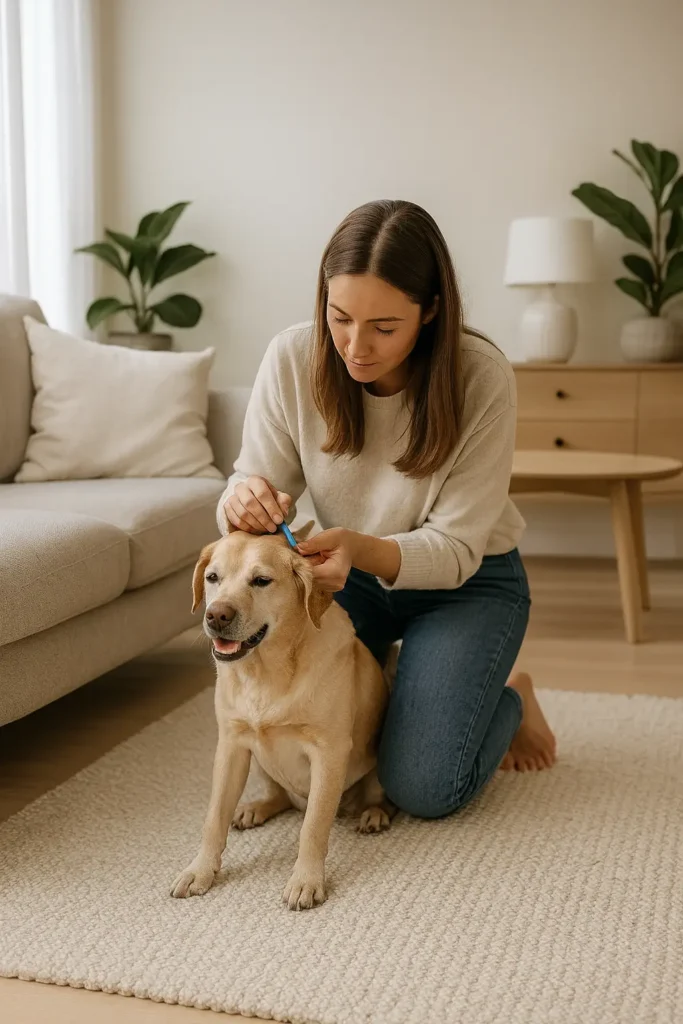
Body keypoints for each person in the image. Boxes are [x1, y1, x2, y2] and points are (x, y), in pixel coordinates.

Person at [218, 199, 556, 820]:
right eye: (340, 317)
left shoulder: (480, 377)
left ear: (429, 313)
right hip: (346, 580)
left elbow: (457, 550)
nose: (355, 346)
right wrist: (240, 499)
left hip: (469, 582)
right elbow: (252, 481)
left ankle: (507, 697)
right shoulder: (294, 358)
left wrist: (361, 548)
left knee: (425, 789)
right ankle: (417, 682)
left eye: (384, 327)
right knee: (294, 706)